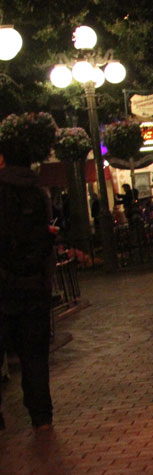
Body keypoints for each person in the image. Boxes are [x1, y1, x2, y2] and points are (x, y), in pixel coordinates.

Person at [0, 136, 56, 432]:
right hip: (34, 284)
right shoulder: (38, 192)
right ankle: (41, 416)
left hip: (3, 286)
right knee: (35, 354)